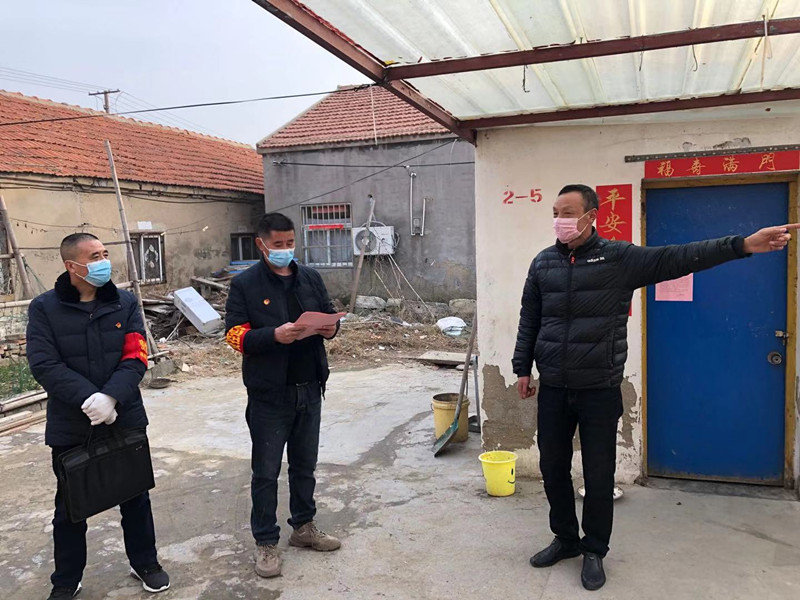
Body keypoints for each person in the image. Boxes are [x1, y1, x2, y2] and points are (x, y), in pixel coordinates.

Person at [513, 184, 797, 591]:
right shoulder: (543, 263)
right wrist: (522, 368)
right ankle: (566, 539)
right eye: (556, 212)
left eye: (569, 212)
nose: (561, 220)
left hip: (599, 389)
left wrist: (742, 245)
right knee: (552, 467)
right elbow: (530, 318)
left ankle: (594, 549)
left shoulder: (619, 258)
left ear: (592, 216)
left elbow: (678, 257)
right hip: (554, 387)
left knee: (598, 474)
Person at [26, 233, 170, 600]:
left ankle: (145, 562)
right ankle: (66, 579)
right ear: (71, 265)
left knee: (135, 496)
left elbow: (136, 355)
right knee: (70, 505)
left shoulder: (124, 302)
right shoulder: (44, 308)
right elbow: (44, 363)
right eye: (94, 256)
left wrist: (110, 397)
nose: (104, 261)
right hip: (72, 422)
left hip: (124, 416)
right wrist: (87, 398)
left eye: (105, 253)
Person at [225, 212, 342, 579]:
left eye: (290, 243)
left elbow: (328, 315)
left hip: (310, 387)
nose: (285, 249)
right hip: (269, 394)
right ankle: (265, 541)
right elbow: (234, 335)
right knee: (266, 471)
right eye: (278, 244)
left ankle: (303, 527)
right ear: (261, 244)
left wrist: (330, 329)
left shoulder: (309, 277)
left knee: (305, 465)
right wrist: (273, 335)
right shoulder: (245, 284)